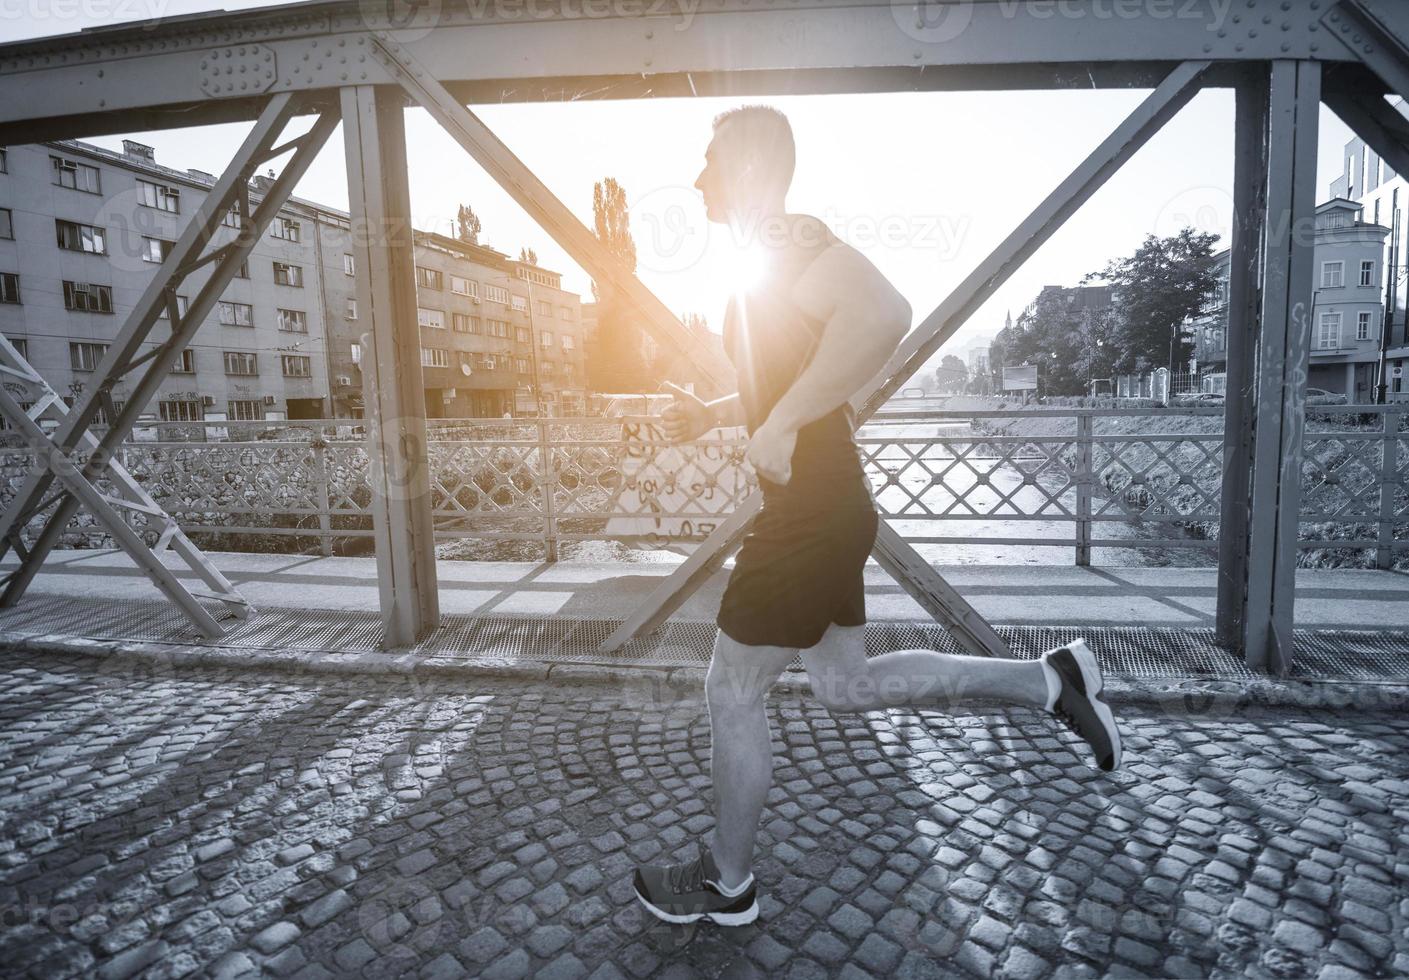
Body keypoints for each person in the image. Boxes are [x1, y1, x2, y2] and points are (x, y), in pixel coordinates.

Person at [631, 105, 1122, 928]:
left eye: (711, 159)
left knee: (732, 690)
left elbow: (885, 315)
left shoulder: (789, 241)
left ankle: (727, 883)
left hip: (809, 513)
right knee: (845, 684)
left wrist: (781, 423)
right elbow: (786, 385)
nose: (698, 177)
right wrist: (721, 413)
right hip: (826, 505)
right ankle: (1049, 680)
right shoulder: (771, 256)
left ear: (749, 168)